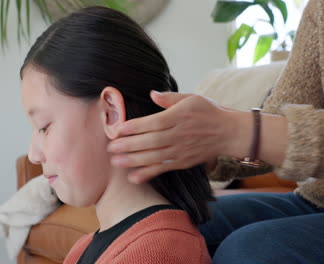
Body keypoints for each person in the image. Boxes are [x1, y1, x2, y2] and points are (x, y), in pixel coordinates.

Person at [107, 0, 324, 263]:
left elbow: (263, 131)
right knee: (165, 222)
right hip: (316, 200)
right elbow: (277, 119)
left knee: (250, 250)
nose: (40, 155)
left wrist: (236, 130)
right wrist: (213, 150)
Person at [20, 6, 214, 264]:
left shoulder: (161, 252)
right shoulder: (85, 248)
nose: (33, 154)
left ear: (110, 112)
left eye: (44, 126)